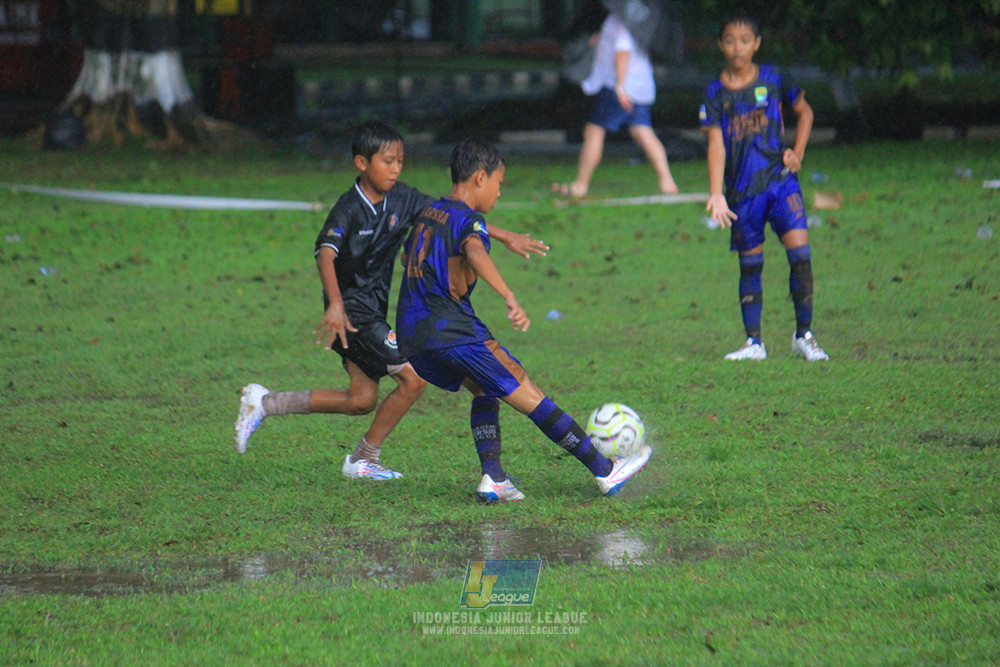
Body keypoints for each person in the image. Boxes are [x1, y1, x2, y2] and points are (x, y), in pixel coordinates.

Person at [233, 121, 548, 480]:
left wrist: (505, 236)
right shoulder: (349, 207)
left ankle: (265, 402)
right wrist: (335, 304)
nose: (396, 169)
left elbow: (452, 219)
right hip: (352, 313)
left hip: (373, 311)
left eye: (400, 161)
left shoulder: (403, 198)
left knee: (361, 399)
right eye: (387, 161)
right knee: (413, 379)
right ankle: (364, 458)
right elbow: (325, 254)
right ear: (362, 163)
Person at [397, 138, 652, 502]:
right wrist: (508, 295)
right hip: (453, 331)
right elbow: (474, 249)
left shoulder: (429, 212)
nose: (499, 192)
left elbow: (407, 256)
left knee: (483, 387)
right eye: (499, 183)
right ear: (480, 178)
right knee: (526, 391)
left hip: (412, 333)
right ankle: (605, 470)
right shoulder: (470, 221)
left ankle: (495, 477)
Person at [700, 12, 829, 362]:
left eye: (744, 40)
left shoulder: (773, 78)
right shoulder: (715, 91)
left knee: (800, 257)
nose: (737, 47)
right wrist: (716, 192)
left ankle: (804, 336)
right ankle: (754, 343)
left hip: (781, 183)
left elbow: (805, 112)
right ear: (721, 45)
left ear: (756, 44)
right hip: (743, 192)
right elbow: (716, 144)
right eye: (730, 40)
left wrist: (797, 153)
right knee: (751, 265)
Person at [552, 8, 678, 199]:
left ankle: (580, 184)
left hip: (619, 87)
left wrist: (620, 87)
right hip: (639, 86)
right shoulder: (637, 19)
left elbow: (623, 51)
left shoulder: (620, 21)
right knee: (642, 131)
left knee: (594, 131)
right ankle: (667, 181)